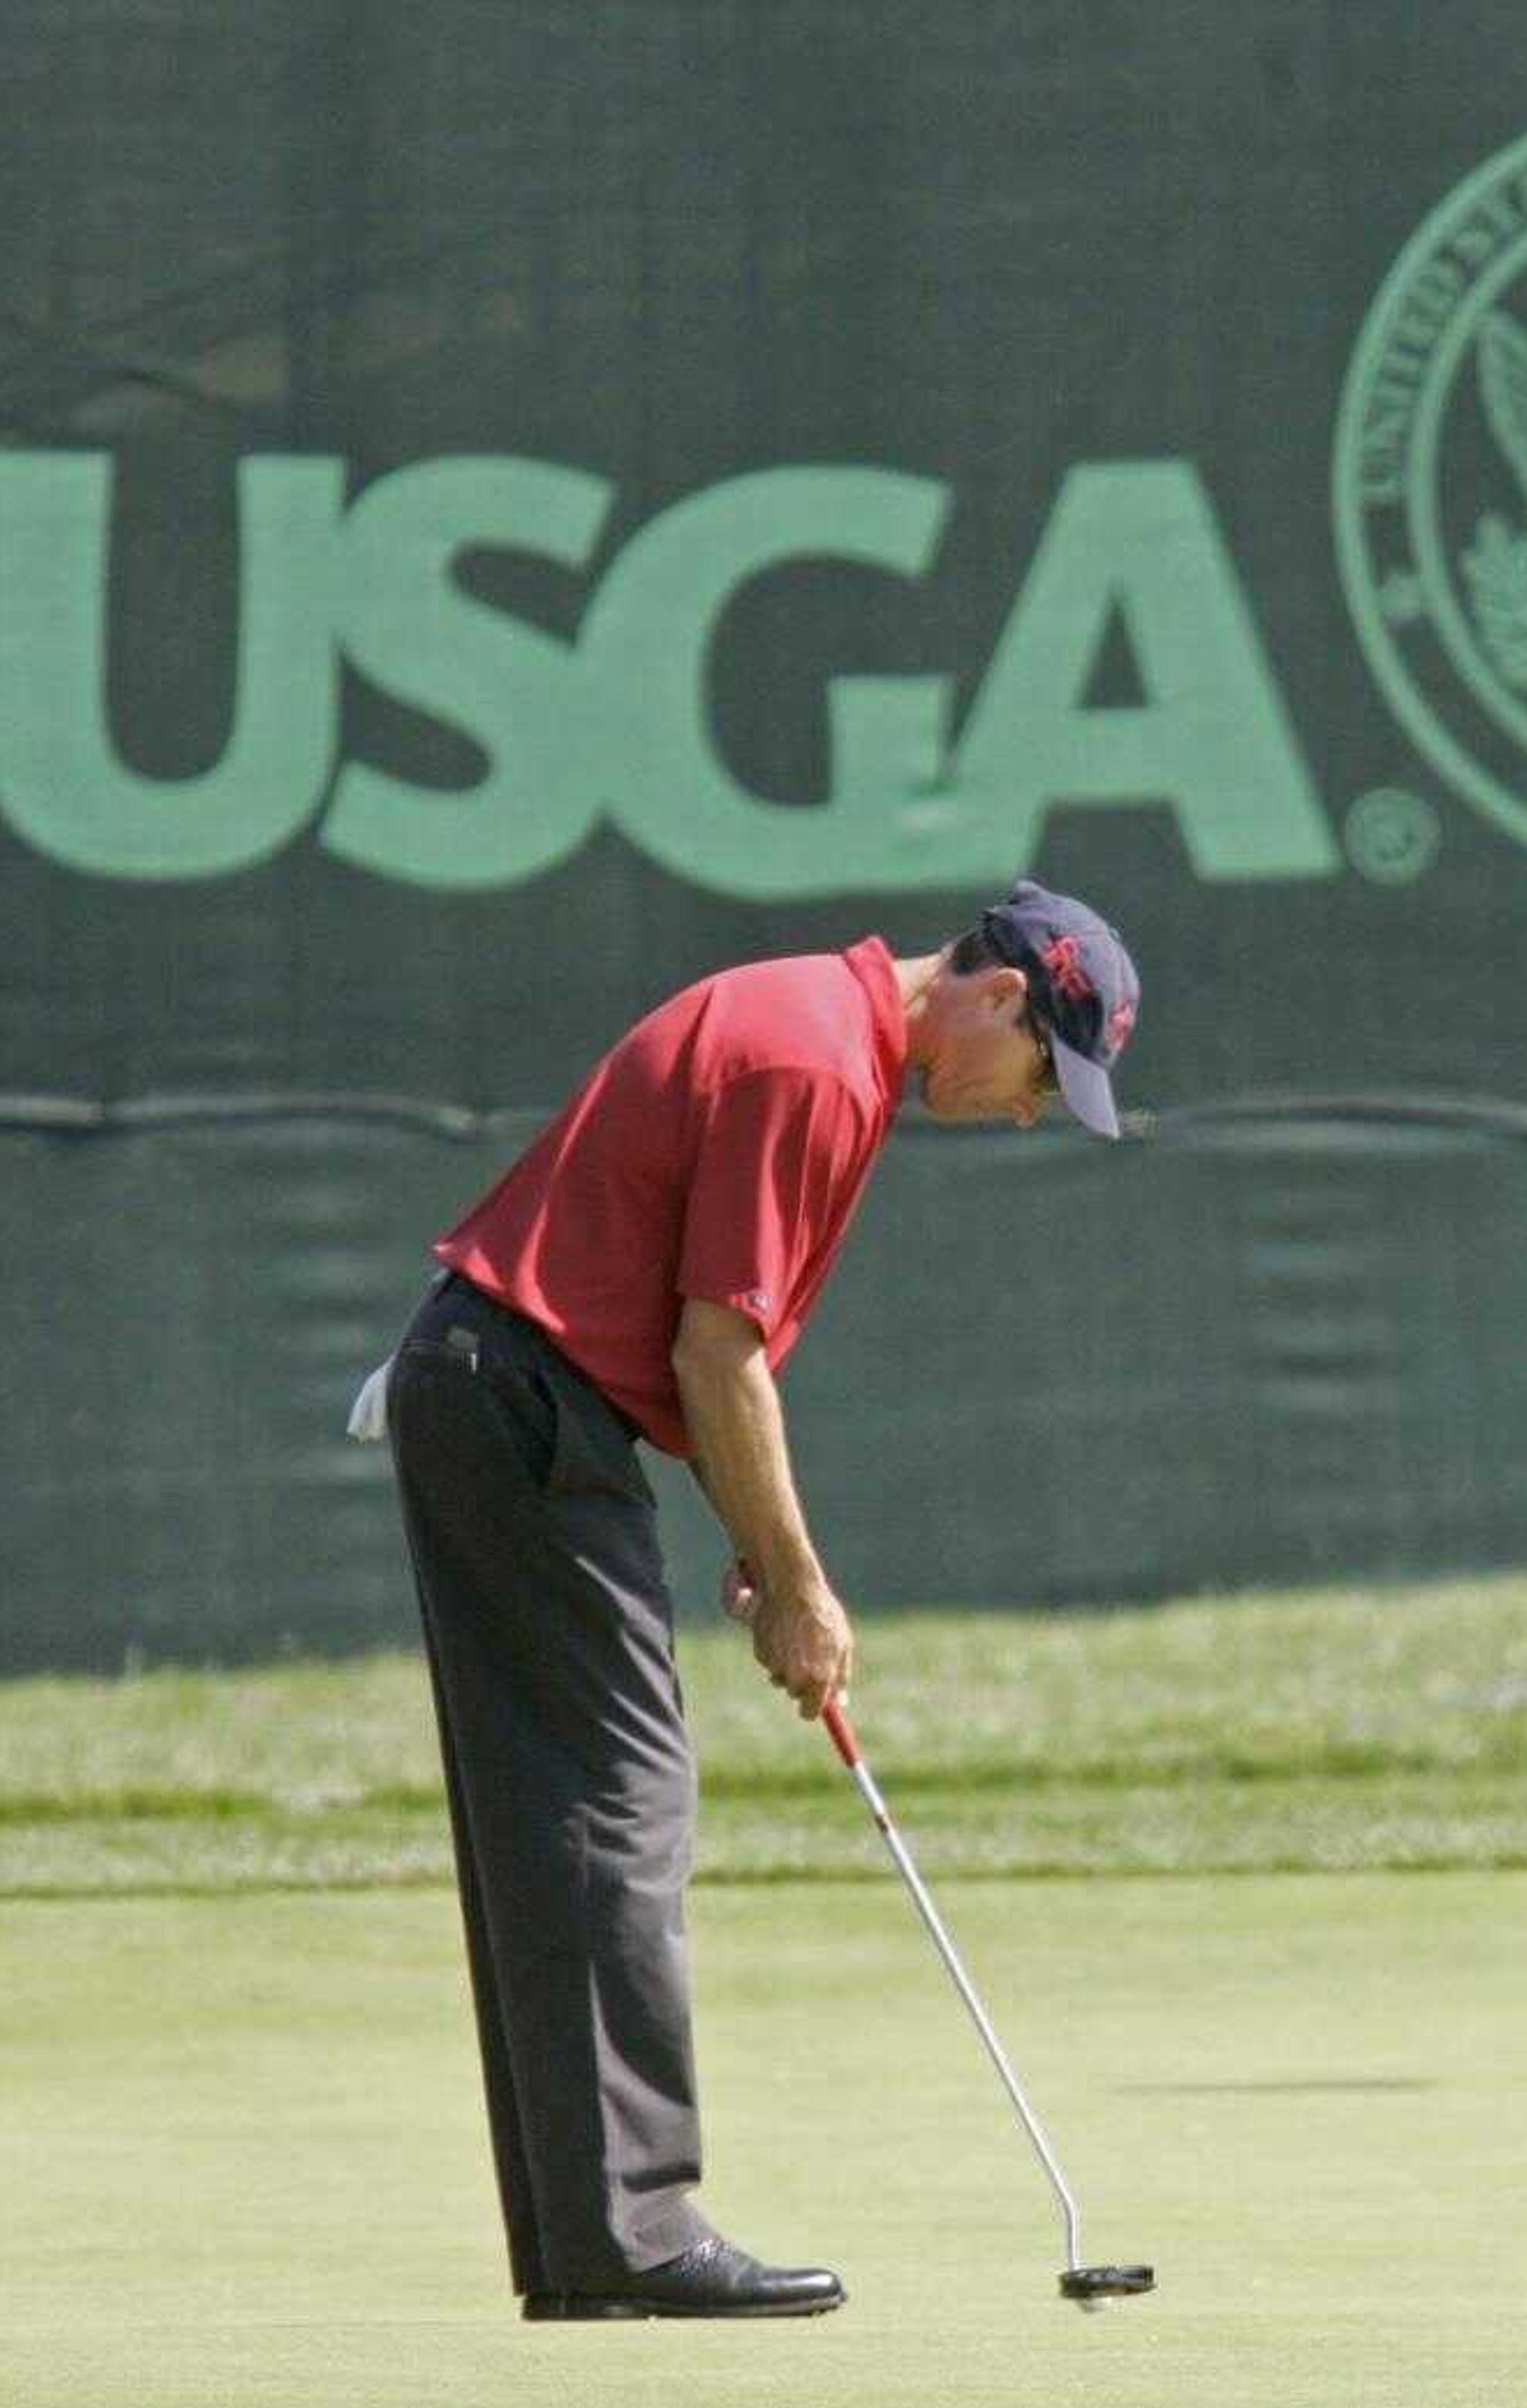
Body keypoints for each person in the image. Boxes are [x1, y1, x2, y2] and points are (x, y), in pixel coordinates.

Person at [365, 880, 1138, 2322]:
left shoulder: (823, 1033)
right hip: (518, 1397)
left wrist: (754, 1533)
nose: (1032, 1108)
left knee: (570, 1816)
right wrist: (798, 1588)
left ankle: (586, 2243)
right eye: (1046, 1073)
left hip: (509, 1396)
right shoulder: (815, 1060)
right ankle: (629, 2237)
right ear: (1002, 998)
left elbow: (698, 1353)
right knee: (616, 1801)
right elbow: (720, 1352)